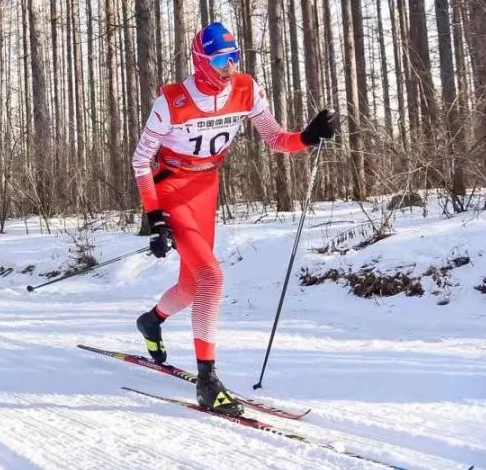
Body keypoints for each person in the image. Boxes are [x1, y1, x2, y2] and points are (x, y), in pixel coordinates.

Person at [131, 22, 337, 416]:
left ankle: (151, 321)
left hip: (206, 187)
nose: (229, 67)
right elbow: (141, 159)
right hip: (173, 186)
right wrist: (154, 216)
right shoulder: (171, 103)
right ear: (201, 61)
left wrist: (307, 138)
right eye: (221, 60)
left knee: (193, 286)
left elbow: (276, 139)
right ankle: (207, 380)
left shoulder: (245, 89)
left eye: (234, 57)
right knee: (212, 276)